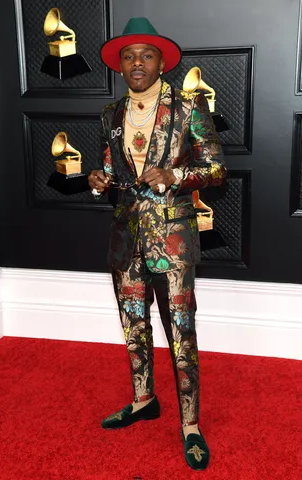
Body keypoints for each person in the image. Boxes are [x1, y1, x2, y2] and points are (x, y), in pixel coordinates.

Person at [88, 17, 226, 470]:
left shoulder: (189, 108)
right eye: (128, 56)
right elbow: (114, 169)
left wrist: (176, 176)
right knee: (133, 325)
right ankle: (144, 398)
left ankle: (190, 425)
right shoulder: (110, 114)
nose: (137, 63)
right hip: (125, 237)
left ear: (162, 62)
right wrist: (100, 180)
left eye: (146, 55)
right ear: (120, 66)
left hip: (173, 239)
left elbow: (216, 170)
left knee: (181, 331)